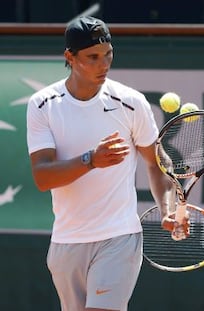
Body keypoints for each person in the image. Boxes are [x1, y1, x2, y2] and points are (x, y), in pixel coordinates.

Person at [26, 16, 178, 311]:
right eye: (92, 57)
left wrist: (167, 208)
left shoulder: (131, 103)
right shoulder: (42, 105)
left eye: (108, 54)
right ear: (69, 57)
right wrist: (91, 161)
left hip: (119, 237)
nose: (103, 64)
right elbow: (43, 178)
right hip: (67, 241)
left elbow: (157, 163)